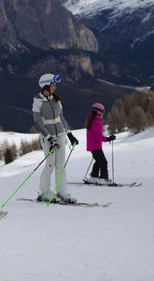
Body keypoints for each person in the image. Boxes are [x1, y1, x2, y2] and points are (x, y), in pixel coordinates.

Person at [32, 74, 79, 203]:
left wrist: (70, 134)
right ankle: (45, 191)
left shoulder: (56, 99)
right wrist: (49, 139)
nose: (55, 87)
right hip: (48, 137)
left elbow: (61, 118)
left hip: (60, 135)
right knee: (50, 164)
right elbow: (37, 122)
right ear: (46, 86)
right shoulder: (37, 101)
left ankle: (62, 191)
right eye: (53, 85)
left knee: (61, 165)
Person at [85, 103, 116, 184]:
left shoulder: (90, 120)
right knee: (103, 162)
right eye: (102, 112)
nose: (103, 114)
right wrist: (108, 139)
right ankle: (103, 178)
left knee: (98, 161)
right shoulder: (96, 122)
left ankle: (93, 177)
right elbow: (98, 136)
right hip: (96, 146)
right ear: (99, 112)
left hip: (92, 146)